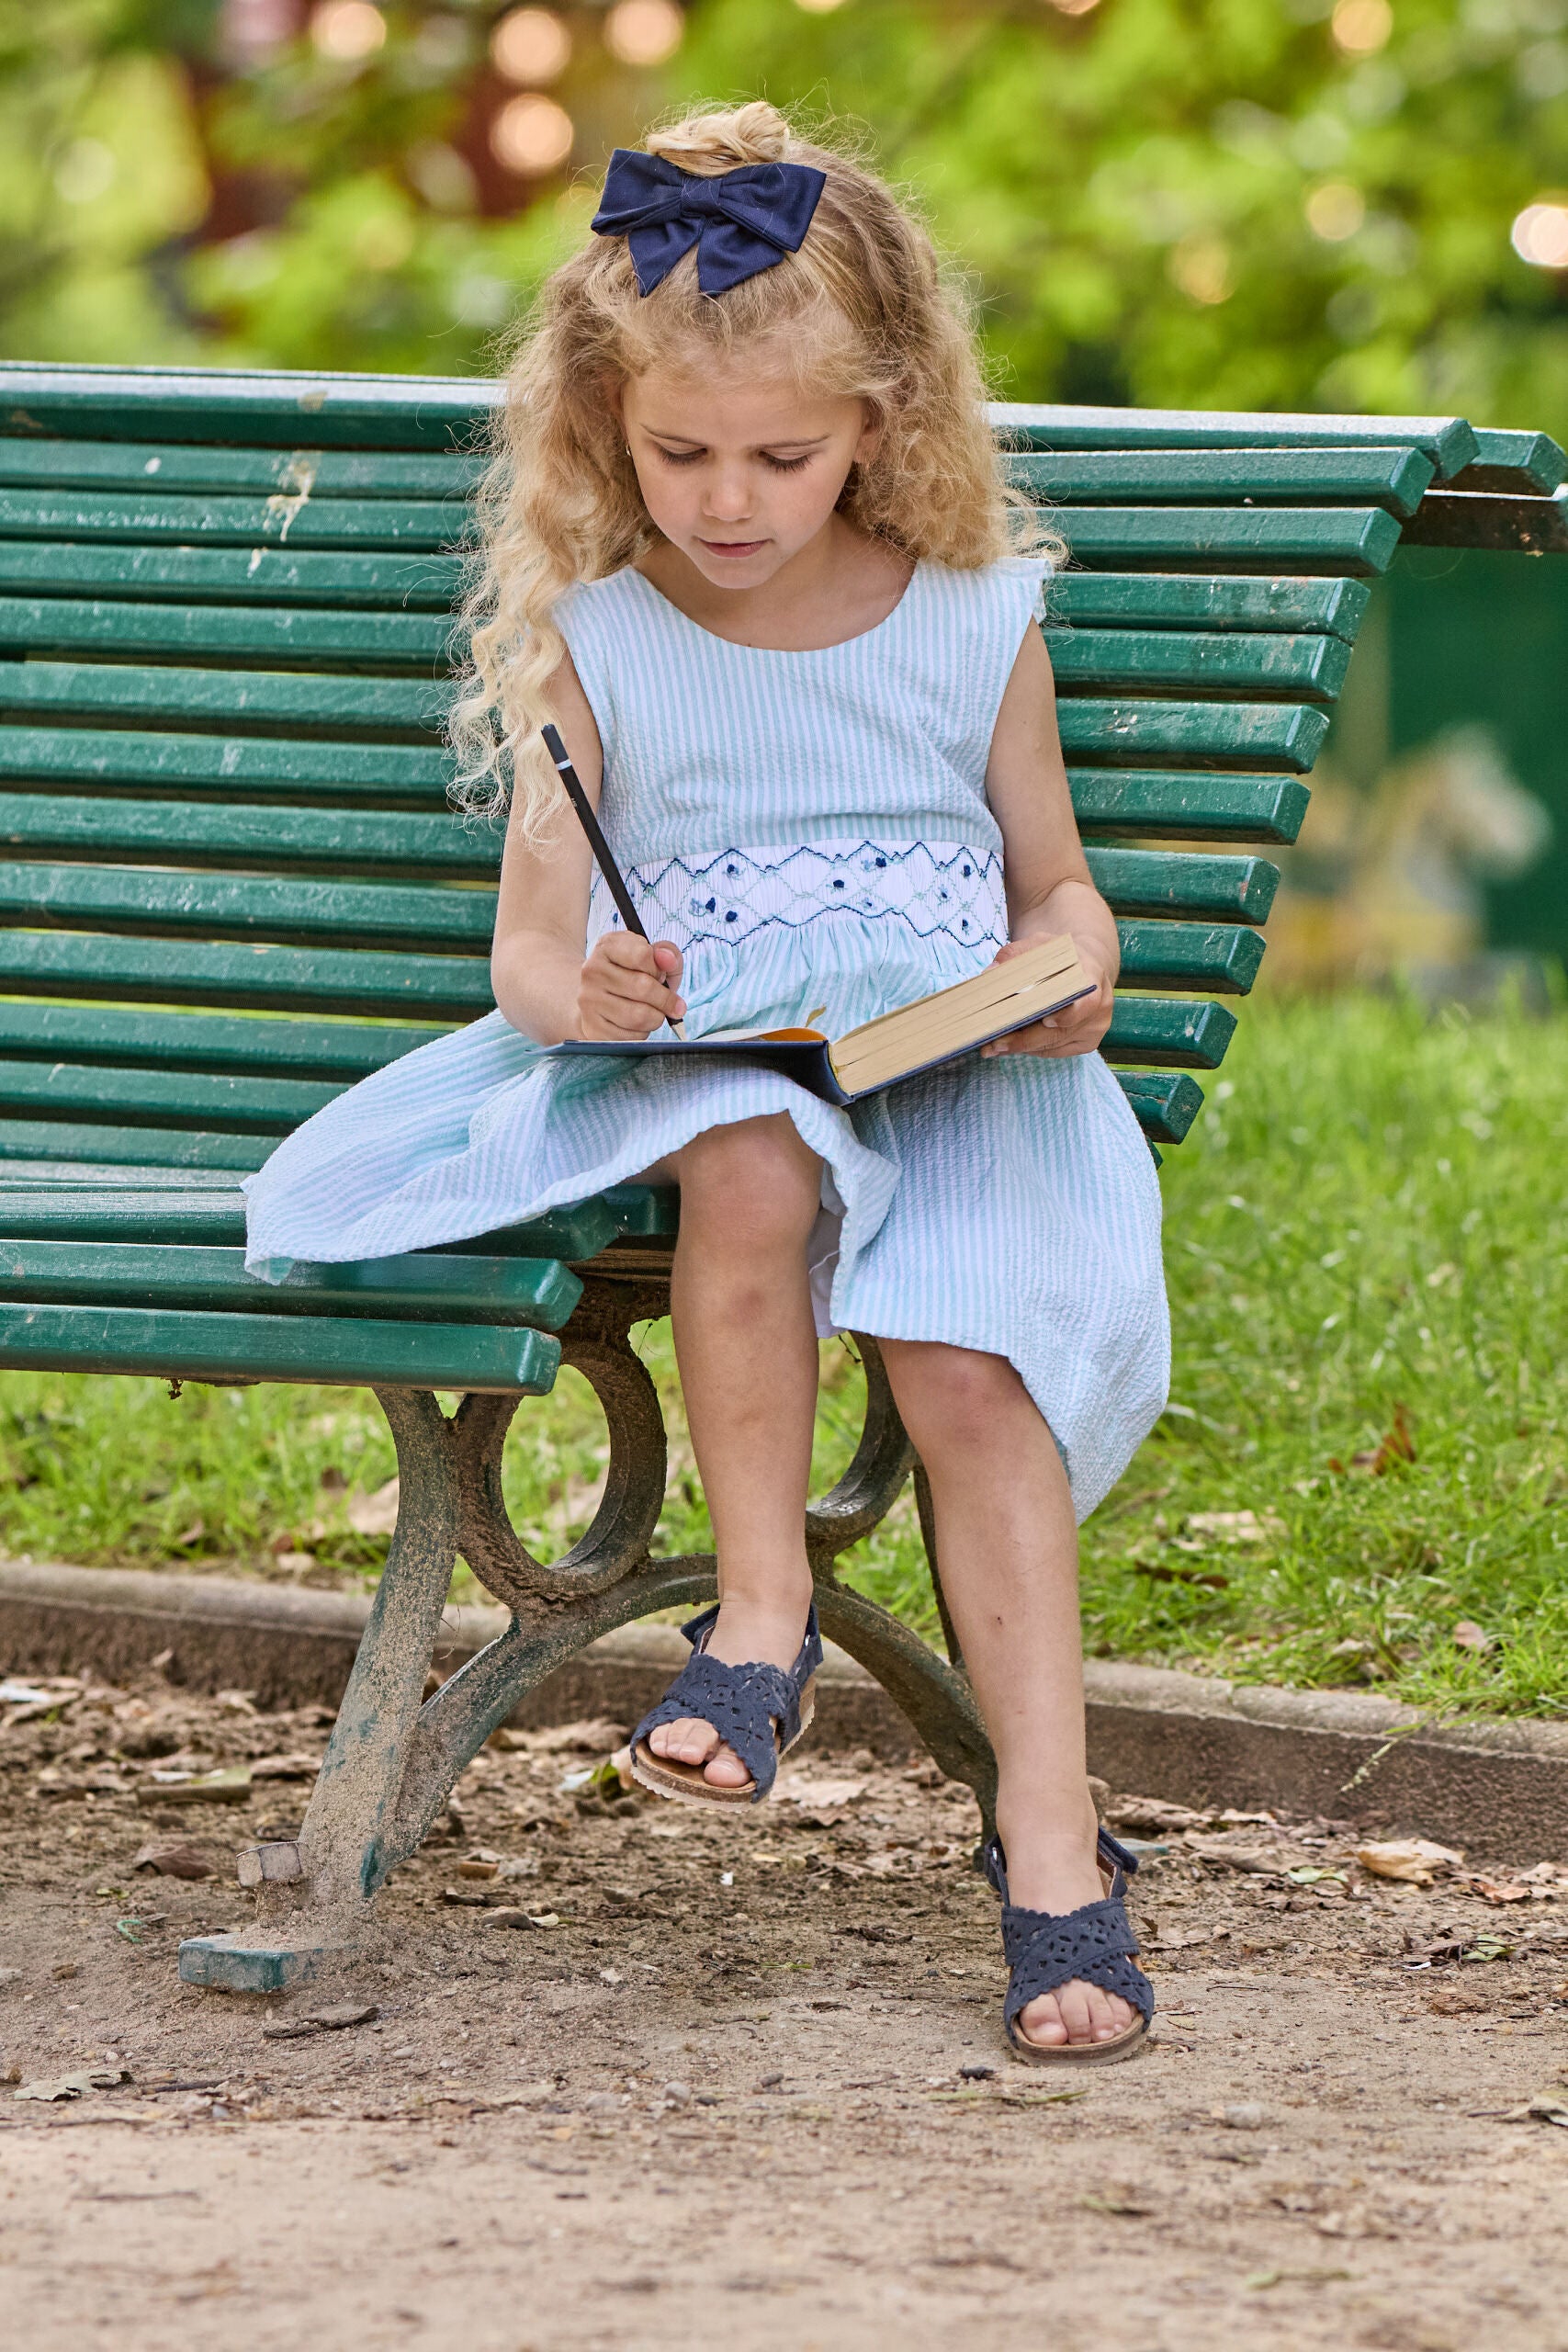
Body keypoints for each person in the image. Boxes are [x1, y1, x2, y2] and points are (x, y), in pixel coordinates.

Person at [244, 102, 1169, 2063]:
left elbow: (1054, 876)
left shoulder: (968, 620)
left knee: (961, 1362)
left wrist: (1073, 964)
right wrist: (593, 992)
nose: (729, 498)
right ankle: (756, 1623)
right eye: (678, 455)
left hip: (952, 1054)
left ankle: (1047, 1836)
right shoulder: (605, 645)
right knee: (746, 1159)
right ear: (603, 426)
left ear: (876, 424)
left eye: (781, 453)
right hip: (712, 1051)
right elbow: (525, 956)